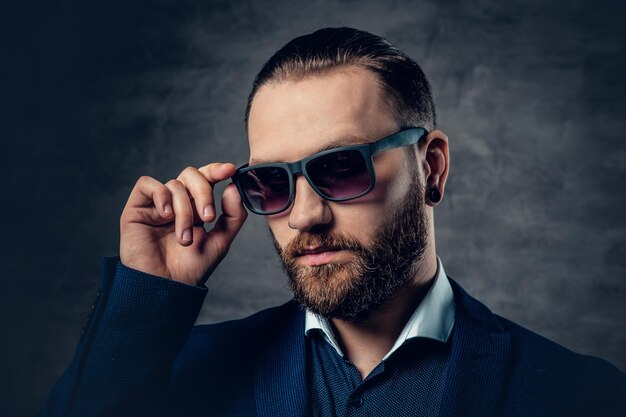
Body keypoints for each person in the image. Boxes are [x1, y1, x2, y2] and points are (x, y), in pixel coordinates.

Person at [39, 27, 624, 417]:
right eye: (270, 182)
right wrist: (148, 296)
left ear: (433, 169)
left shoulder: (580, 395)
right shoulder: (171, 371)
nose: (305, 215)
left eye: (342, 168)